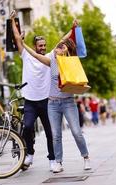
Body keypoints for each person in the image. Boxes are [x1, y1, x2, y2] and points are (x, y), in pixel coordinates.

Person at [14, 19, 91, 172]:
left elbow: (64, 39)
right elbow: (35, 55)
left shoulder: (69, 62)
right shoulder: (50, 61)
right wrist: (23, 42)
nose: (57, 47)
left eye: (61, 47)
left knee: (76, 132)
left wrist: (73, 29)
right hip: (52, 104)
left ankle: (86, 157)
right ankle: (58, 162)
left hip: (68, 102)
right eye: (57, 47)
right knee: (55, 135)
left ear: (65, 51)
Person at [10, 10, 55, 170]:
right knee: (27, 127)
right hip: (30, 100)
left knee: (50, 132)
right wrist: (13, 20)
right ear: (35, 46)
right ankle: (29, 154)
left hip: (46, 100)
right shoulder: (26, 56)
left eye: (44, 45)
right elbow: (17, 38)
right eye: (40, 46)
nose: (43, 47)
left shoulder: (49, 57)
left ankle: (52, 159)